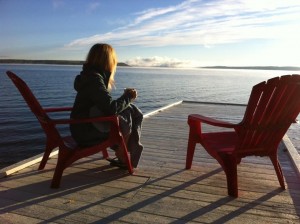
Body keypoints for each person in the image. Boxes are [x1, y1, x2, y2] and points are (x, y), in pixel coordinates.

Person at [70, 43, 143, 168]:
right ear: (109, 60)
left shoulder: (89, 76)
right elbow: (111, 109)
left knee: (130, 110)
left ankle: (123, 151)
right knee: (128, 112)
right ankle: (122, 154)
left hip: (82, 126)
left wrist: (126, 100)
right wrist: (128, 96)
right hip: (86, 133)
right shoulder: (94, 79)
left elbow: (105, 106)